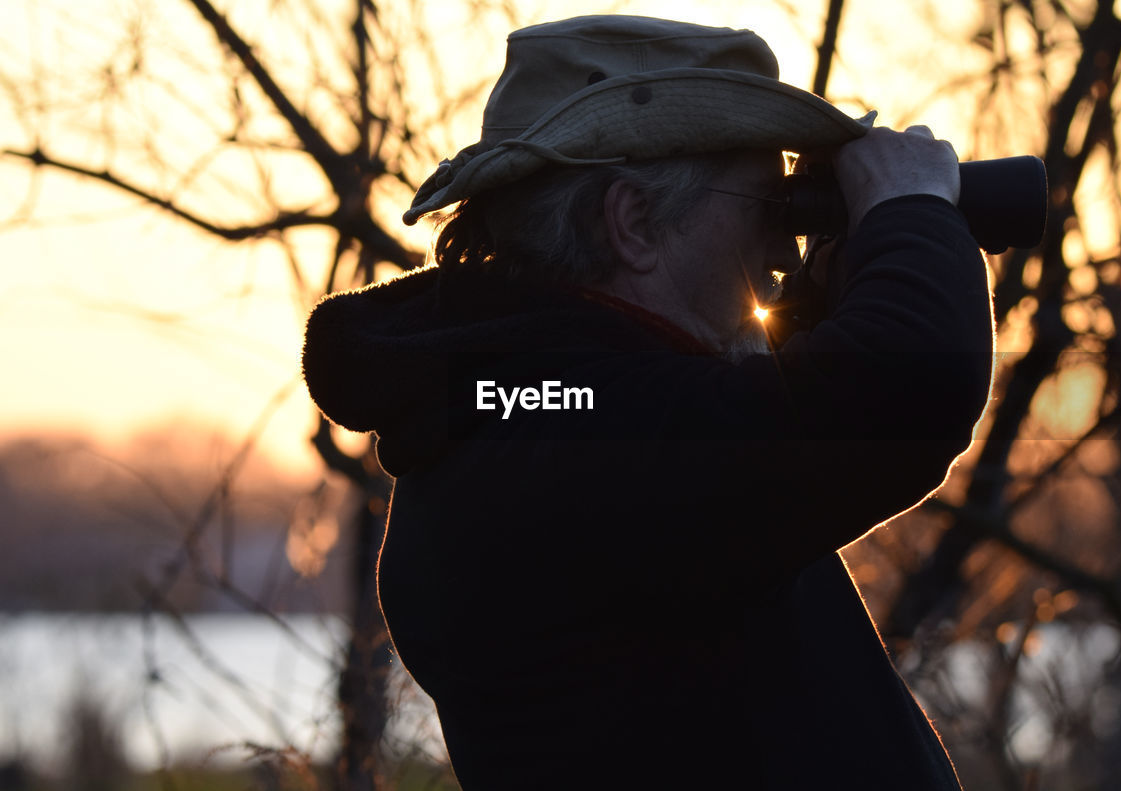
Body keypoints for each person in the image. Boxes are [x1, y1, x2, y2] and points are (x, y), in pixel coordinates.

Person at [303, 14, 992, 790]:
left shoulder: (513, 413)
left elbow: (708, 433)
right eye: (768, 210)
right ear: (633, 223)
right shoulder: (573, 452)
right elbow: (904, 391)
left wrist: (820, 304)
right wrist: (909, 213)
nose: (781, 250)